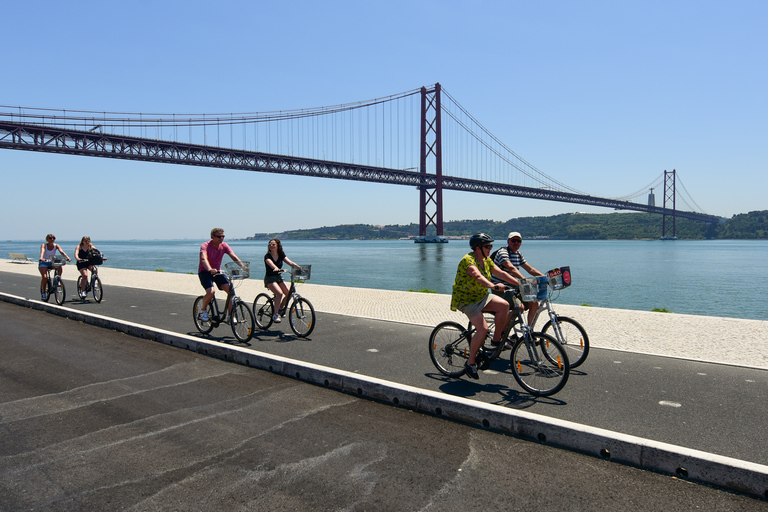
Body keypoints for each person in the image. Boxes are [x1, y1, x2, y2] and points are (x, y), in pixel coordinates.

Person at [450, 233, 520, 380]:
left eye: (491, 246)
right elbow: (477, 276)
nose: (490, 249)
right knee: (483, 328)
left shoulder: (487, 260)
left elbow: (501, 273)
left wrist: (521, 283)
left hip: (481, 297)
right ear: (478, 248)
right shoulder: (468, 260)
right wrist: (493, 286)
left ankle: (495, 341)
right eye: (487, 246)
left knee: (504, 305)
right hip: (467, 300)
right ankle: (470, 362)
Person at [491, 231, 544, 326]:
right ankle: (502, 334)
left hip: (514, 286)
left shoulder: (518, 254)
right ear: (508, 241)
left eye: (518, 241)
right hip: (500, 288)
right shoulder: (503, 252)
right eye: (513, 240)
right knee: (519, 307)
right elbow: (511, 268)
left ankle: (529, 330)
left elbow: (530, 269)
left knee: (534, 303)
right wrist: (525, 281)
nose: (516, 243)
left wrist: (544, 277)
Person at [198, 228, 243, 322]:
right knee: (211, 291)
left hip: (218, 272)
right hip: (205, 272)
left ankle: (230, 316)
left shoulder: (224, 245)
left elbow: (234, 256)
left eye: (223, 236)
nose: (221, 238)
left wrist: (243, 267)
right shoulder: (205, 245)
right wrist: (210, 269)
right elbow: (203, 259)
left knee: (231, 293)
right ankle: (203, 310)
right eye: (219, 236)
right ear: (212, 236)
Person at [263, 239, 301, 323]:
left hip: (278, 277)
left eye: (273, 244)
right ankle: (275, 314)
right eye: (270, 244)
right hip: (270, 278)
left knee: (289, 294)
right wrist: (275, 268)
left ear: (277, 246)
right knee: (279, 293)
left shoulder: (281, 254)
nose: (271, 245)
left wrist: (297, 266)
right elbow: (270, 263)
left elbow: (290, 262)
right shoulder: (267, 256)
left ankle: (280, 308)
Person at [38, 233, 71, 300]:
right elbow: (42, 251)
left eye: (53, 238)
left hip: (52, 262)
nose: (52, 239)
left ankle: (58, 280)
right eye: (50, 238)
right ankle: (43, 293)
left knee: (59, 266)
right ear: (47, 239)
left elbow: (62, 252)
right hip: (44, 262)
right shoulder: (44, 245)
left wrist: (67, 257)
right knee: (45, 277)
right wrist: (41, 258)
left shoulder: (56, 245)